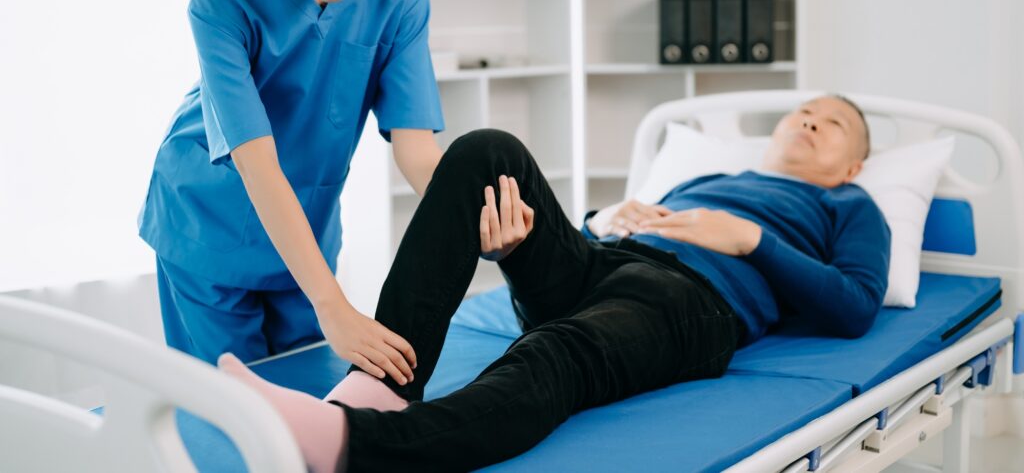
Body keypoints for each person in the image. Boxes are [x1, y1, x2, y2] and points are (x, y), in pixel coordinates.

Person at [217, 95, 891, 472]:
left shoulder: (849, 208)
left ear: (853, 164)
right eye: (802, 111)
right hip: (602, 263)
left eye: (830, 122)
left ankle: (352, 447)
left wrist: (751, 241)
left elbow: (855, 306)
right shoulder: (705, 181)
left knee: (551, 353)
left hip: (688, 304)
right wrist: (601, 220)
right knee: (486, 151)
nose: (807, 119)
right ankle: (385, 383)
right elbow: (600, 233)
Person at [138, 0, 443, 386]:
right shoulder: (221, 0)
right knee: (230, 413)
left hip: (307, 230)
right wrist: (332, 303)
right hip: (208, 221)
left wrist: (470, 211)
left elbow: (417, 147)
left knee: (307, 401)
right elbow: (256, 164)